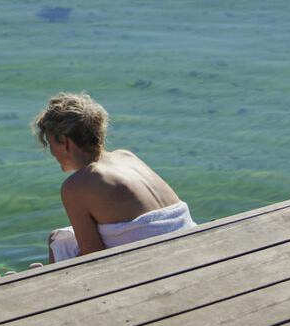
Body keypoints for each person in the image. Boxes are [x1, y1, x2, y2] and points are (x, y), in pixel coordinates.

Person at [36, 92, 194, 262]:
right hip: (192, 245)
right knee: (60, 240)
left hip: (160, 264)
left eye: (50, 143)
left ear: (65, 142)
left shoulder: (77, 186)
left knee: (59, 244)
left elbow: (92, 261)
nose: (51, 152)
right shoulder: (126, 156)